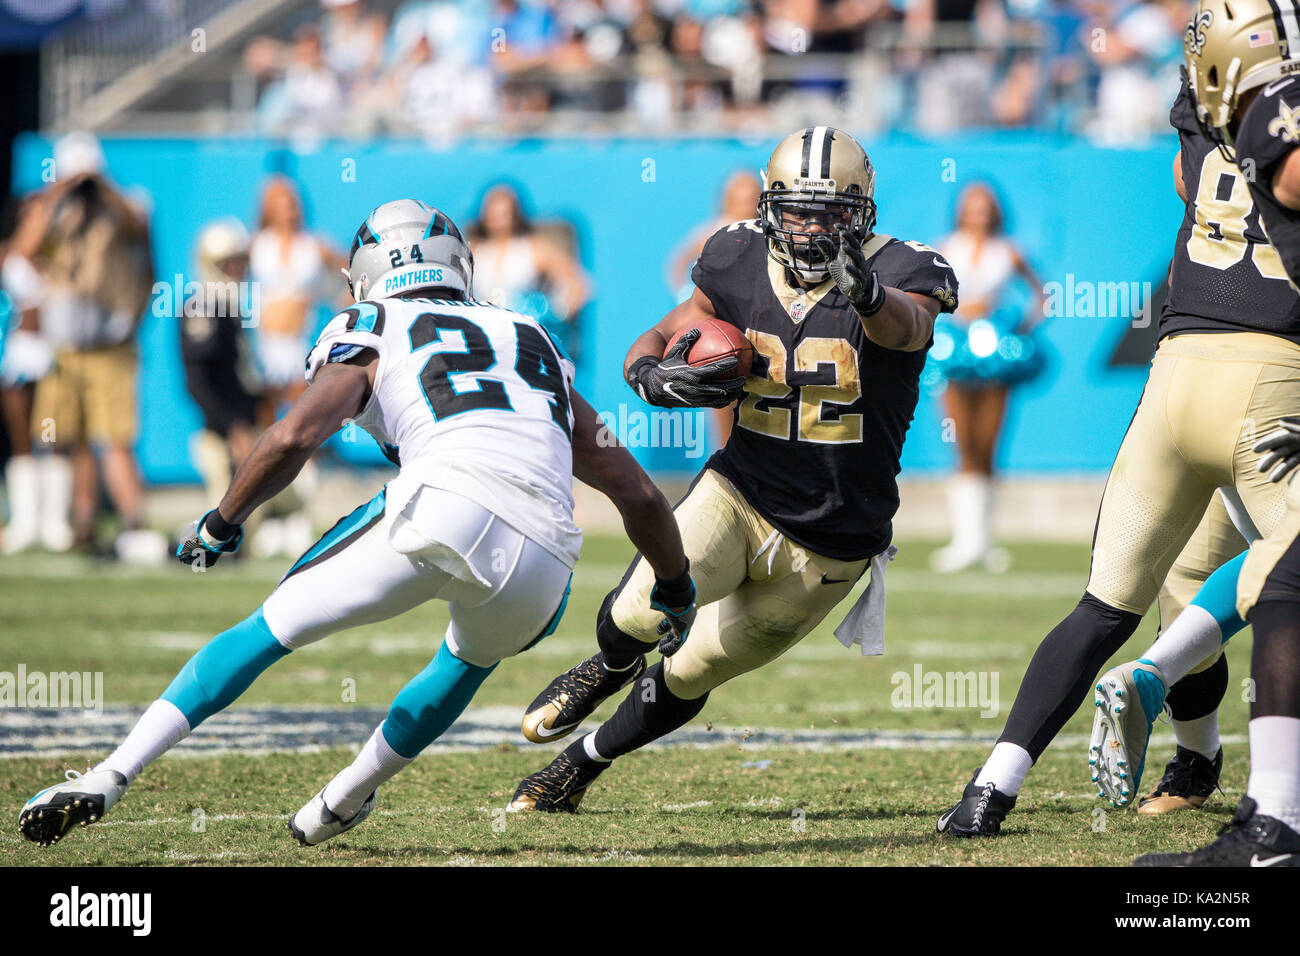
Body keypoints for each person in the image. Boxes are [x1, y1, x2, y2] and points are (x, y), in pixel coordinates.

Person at [18, 199, 698, 849]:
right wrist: (675, 588)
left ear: (368, 274)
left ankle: (113, 773)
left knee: (268, 630)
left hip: (443, 501)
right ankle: (344, 797)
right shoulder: (532, 336)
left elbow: (292, 437)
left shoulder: (371, 324)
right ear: (456, 263)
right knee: (466, 661)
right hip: (547, 560)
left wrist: (220, 524)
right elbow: (636, 491)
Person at [506, 127, 959, 813]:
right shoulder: (738, 254)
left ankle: (580, 764)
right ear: (771, 206)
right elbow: (662, 334)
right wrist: (648, 375)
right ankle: (610, 665)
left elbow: (911, 329)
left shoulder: (902, 269)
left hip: (834, 540)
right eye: (798, 209)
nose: (811, 227)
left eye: (830, 210)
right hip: (740, 490)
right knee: (634, 614)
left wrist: (865, 294)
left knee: (693, 670)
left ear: (861, 211)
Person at [938, 53, 1300, 839]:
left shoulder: (1207, 113)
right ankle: (1251, 779)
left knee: (1113, 603)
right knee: (1288, 569)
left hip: (1176, 377)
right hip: (1274, 374)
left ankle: (990, 789)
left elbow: (1185, 177)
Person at [1094, 0, 1300, 865]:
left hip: (1254, 369)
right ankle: (1264, 813)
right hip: (1247, 375)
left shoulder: (1270, 127)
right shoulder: (1249, 132)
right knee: (1278, 571)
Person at [28, 132, 157, 559]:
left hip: (110, 345)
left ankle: (134, 522)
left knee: (115, 437)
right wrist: (57, 194)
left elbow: (139, 229)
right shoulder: (51, 209)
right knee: (72, 438)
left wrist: (101, 186)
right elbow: (24, 249)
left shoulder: (126, 204)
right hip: (64, 348)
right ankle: (81, 523)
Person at [930, 182, 1045, 573]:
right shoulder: (944, 246)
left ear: (995, 211)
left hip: (994, 350)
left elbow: (1041, 295)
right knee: (963, 442)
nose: (978, 213)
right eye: (971, 206)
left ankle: (984, 540)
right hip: (953, 351)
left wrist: (1021, 328)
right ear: (960, 210)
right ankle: (964, 539)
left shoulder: (1008, 250)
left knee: (989, 443)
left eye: (985, 206)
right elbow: (923, 294)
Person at [247, 176, 346, 557]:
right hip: (262, 348)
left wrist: (342, 302)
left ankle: (302, 515)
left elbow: (353, 276)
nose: (288, 207)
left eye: (291, 200)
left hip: (301, 347)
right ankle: (267, 515)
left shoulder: (314, 246)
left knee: (305, 429)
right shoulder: (257, 246)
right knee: (265, 428)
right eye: (279, 201)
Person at [665, 170, 763, 448]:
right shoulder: (714, 233)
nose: (745, 205)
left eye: (750, 197)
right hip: (725, 327)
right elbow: (677, 262)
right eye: (739, 198)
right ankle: (728, 460)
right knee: (723, 390)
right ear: (727, 200)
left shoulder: (770, 232)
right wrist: (688, 298)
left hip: (763, 324)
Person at [180, 219, 259, 513]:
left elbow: (241, 372)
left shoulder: (232, 307)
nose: (239, 270)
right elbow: (197, 381)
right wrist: (231, 425)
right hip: (218, 432)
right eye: (231, 263)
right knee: (223, 509)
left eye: (241, 262)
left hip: (247, 426)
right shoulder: (201, 308)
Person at [467, 184, 589, 361]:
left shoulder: (533, 248)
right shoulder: (473, 249)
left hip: (526, 345)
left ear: (516, 214)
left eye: (505, 212)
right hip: (482, 342)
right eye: (494, 212)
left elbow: (578, 284)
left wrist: (555, 315)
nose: (499, 219)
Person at [0, 195, 55, 553]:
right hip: (21, 353)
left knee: (51, 434)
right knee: (21, 437)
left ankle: (53, 522)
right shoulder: (11, 253)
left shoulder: (57, 255)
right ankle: (25, 520)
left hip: (54, 351)